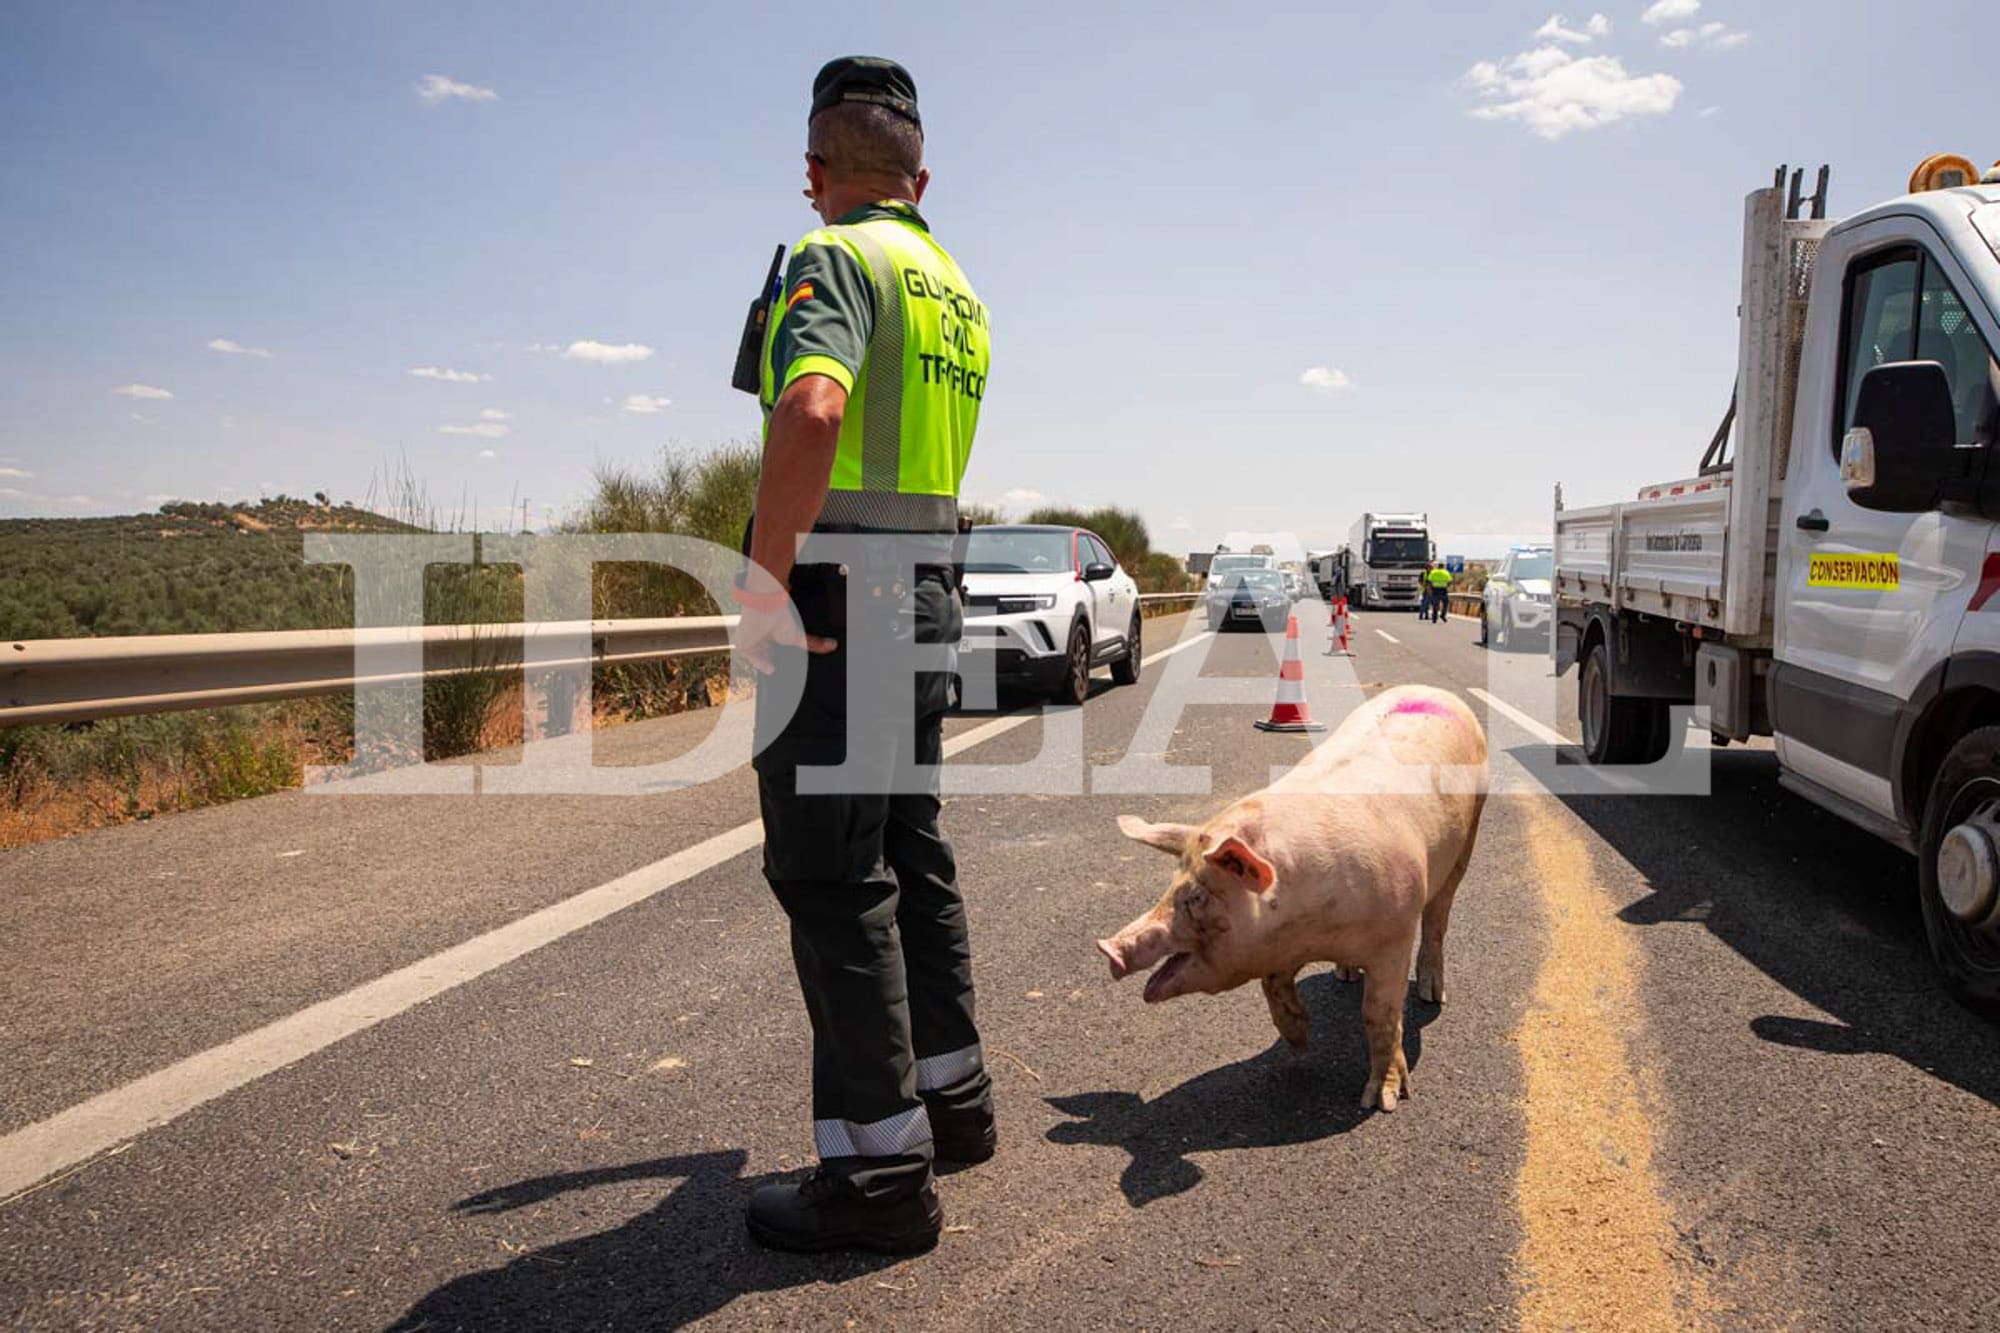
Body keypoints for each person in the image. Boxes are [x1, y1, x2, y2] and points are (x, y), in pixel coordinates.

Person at [730, 56, 994, 1256]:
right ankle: (954, 1106)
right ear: (921, 175)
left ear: (813, 173)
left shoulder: (831, 260)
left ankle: (878, 1183)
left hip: (836, 602)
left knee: (834, 884)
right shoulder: (954, 288)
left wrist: (766, 578)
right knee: (907, 848)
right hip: (927, 592)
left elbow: (813, 410)